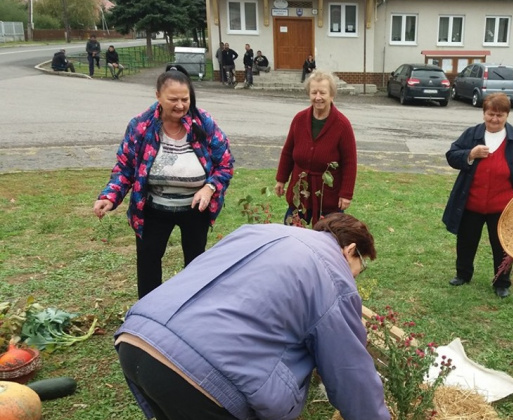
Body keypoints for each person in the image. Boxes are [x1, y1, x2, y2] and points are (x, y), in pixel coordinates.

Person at [115, 213, 391, 420]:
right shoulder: (333, 275)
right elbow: (350, 374)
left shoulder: (259, 232)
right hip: (201, 380)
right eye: (360, 267)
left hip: (139, 339)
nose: (355, 276)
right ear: (351, 250)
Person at [92, 64, 235, 299]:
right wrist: (110, 196)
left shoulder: (204, 123)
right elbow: (125, 167)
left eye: (185, 99)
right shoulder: (140, 126)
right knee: (148, 261)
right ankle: (149, 313)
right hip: (153, 207)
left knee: (196, 262)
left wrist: (209, 188)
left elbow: (225, 164)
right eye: (173, 99)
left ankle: (192, 310)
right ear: (158, 96)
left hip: (194, 207)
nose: (180, 105)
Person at [442, 92, 513, 298]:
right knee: (466, 241)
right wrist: (469, 154)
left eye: (499, 115)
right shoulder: (472, 135)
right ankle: (463, 274)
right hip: (471, 204)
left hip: (503, 207)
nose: (494, 119)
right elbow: (451, 156)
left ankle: (501, 282)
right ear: (483, 113)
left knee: (502, 246)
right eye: (490, 114)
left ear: (507, 116)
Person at [274, 70, 357, 226]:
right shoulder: (299, 119)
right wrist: (281, 179)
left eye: (323, 93)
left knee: (328, 241)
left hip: (328, 196)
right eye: (314, 92)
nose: (318, 97)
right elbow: (287, 152)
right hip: (300, 192)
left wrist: (346, 194)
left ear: (332, 95)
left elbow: (350, 162)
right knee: (292, 237)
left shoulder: (342, 125)